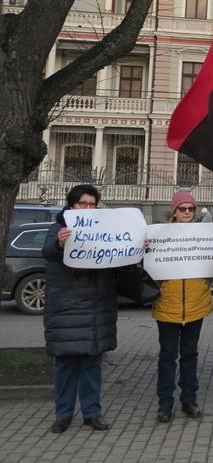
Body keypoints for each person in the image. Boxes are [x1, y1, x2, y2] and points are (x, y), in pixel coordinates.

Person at [43, 184, 116, 434]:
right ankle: (63, 415)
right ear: (71, 205)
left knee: (92, 366)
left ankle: (92, 414)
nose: (87, 208)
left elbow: (120, 259)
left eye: (91, 204)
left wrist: (138, 247)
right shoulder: (59, 228)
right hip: (66, 310)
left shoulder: (105, 229)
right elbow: (48, 251)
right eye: (82, 203)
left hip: (96, 309)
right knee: (65, 366)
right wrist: (60, 243)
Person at [149, 192, 213, 423]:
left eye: (191, 209)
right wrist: (145, 249)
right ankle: (165, 404)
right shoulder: (159, 235)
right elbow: (148, 264)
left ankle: (189, 400)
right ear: (174, 211)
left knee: (190, 355)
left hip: (195, 304)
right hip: (168, 304)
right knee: (167, 356)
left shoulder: (203, 235)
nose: (187, 212)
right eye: (182, 208)